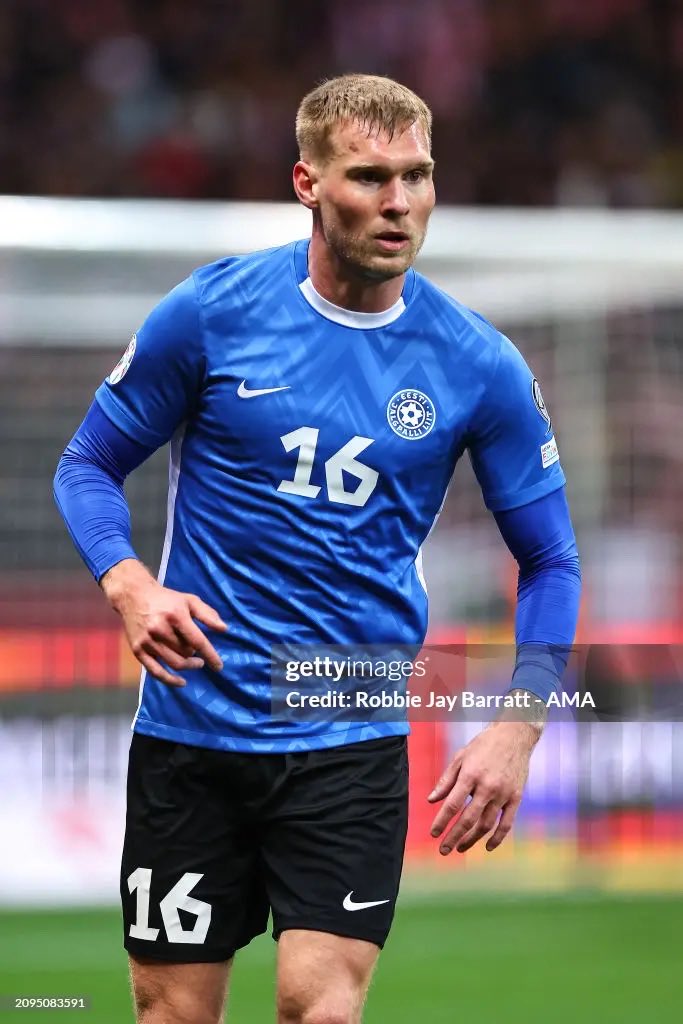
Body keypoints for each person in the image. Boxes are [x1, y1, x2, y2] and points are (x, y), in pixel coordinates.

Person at [54, 74, 581, 1024]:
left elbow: (551, 561)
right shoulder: (212, 312)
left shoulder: (476, 362)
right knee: (171, 1012)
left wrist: (516, 726)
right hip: (191, 730)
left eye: (417, 176)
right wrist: (128, 583)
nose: (399, 203)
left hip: (349, 733)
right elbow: (87, 463)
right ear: (306, 182)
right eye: (370, 177)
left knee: (320, 1009)